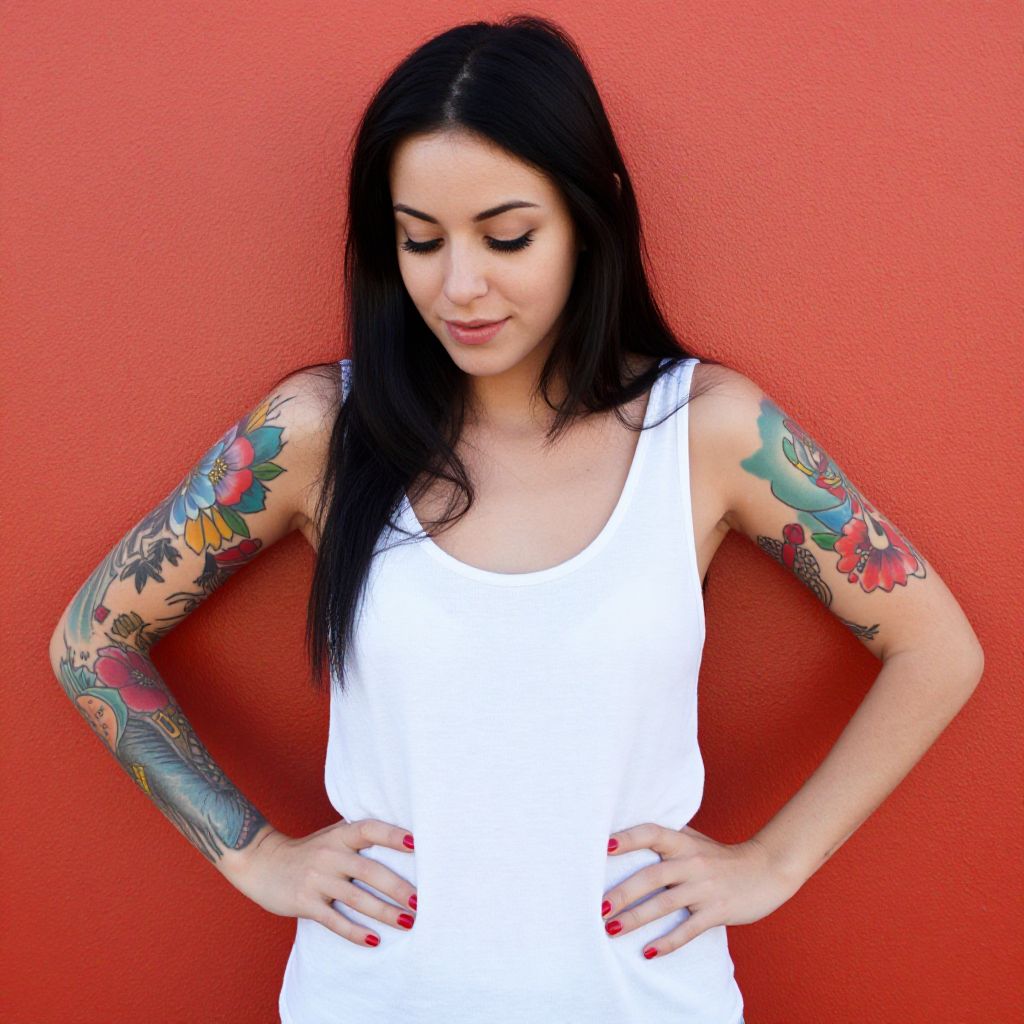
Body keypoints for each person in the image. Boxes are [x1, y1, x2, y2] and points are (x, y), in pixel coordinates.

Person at [48, 15, 983, 1024]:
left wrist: (774, 862)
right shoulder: (317, 434)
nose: (459, 285)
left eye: (507, 236)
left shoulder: (709, 434)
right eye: (419, 239)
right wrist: (254, 852)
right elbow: (91, 640)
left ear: (591, 215)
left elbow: (935, 648)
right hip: (372, 998)